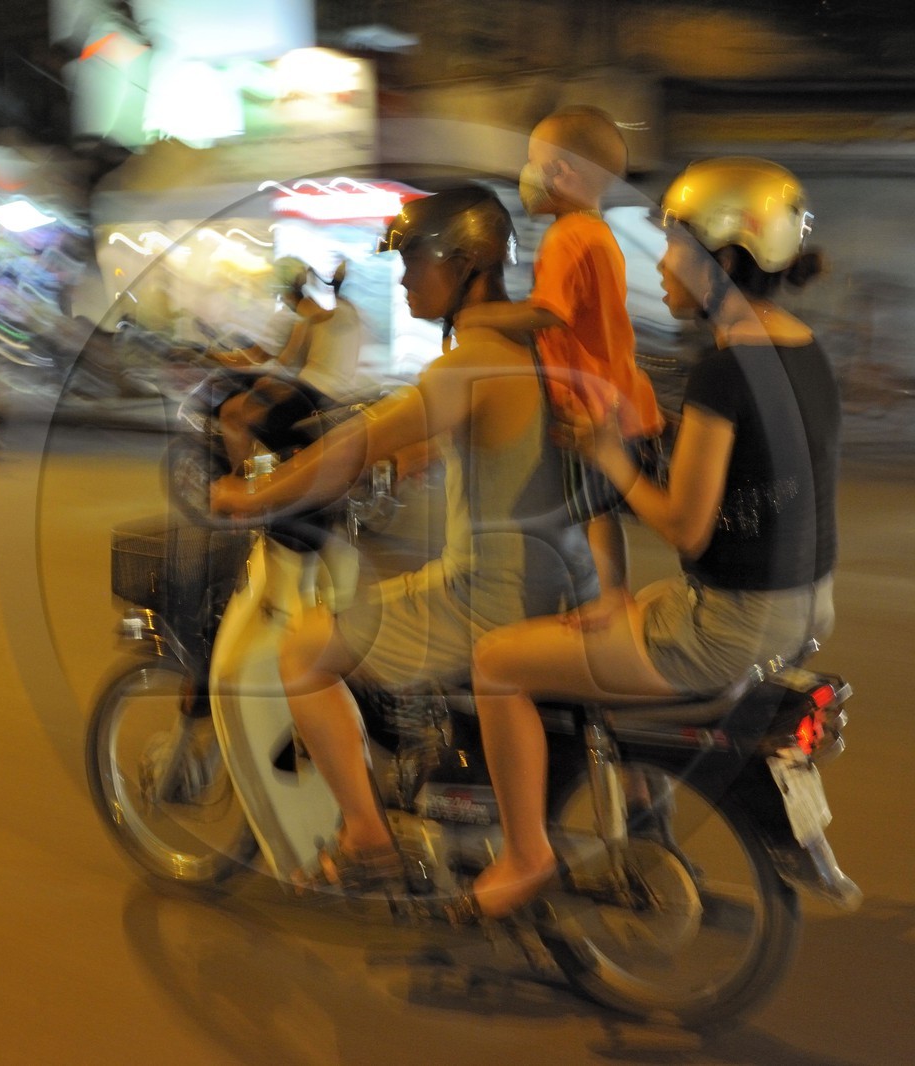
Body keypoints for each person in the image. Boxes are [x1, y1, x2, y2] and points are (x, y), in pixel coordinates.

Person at [466, 157, 840, 920]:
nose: (663, 264)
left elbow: (684, 525)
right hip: (800, 609)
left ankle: (525, 855)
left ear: (721, 258)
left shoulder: (725, 371)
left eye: (673, 244)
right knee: (606, 621)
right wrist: (660, 431)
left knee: (497, 664)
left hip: (726, 625)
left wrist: (608, 455)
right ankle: (644, 835)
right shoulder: (802, 349)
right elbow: (759, 470)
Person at [211, 187, 598, 894]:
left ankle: (367, 839)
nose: (403, 278)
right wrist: (415, 457)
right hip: (564, 581)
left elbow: (355, 446)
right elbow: (478, 442)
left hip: (493, 593)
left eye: (414, 260)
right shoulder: (529, 349)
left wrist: (253, 494)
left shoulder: (471, 363)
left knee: (305, 649)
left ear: (466, 263)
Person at [453, 105, 666, 596]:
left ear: (561, 172)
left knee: (586, 514)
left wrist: (480, 317)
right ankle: (607, 595)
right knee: (597, 512)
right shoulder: (598, 232)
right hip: (615, 396)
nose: (526, 174)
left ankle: (607, 600)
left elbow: (549, 312)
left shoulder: (567, 236)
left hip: (590, 405)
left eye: (533, 161)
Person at [216, 258, 365, 468]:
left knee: (232, 412)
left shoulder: (316, 311)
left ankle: (243, 478)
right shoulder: (351, 313)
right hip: (334, 395)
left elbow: (287, 357)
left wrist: (270, 380)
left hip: (311, 391)